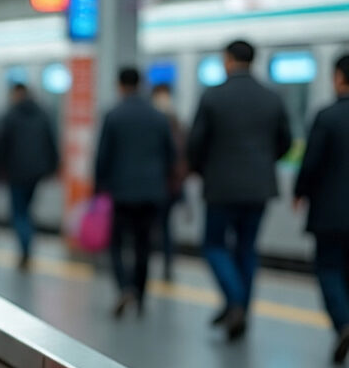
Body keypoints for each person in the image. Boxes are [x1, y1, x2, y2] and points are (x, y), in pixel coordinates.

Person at [187, 40, 291, 341]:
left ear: (228, 60)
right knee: (247, 248)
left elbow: (196, 144)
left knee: (214, 245)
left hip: (220, 187)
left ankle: (235, 301)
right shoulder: (272, 97)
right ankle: (241, 309)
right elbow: (284, 141)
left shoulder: (213, 97)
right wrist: (262, 163)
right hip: (259, 187)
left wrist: (201, 169)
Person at [95, 67, 176, 316]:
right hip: (152, 192)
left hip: (121, 192)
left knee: (117, 244)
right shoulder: (157, 116)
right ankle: (140, 295)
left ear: (119, 85)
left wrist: (99, 187)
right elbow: (171, 154)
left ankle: (124, 287)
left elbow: (103, 156)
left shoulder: (114, 115)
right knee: (144, 245)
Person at [294, 54, 349, 365]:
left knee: (329, 269)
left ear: (339, 77)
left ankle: (343, 323)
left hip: (330, 212)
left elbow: (312, 162)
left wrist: (300, 192)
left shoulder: (326, 116)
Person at [0, 82, 59, 269]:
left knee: (19, 212)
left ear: (16, 94)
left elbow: (2, 146)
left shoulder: (11, 116)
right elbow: (51, 141)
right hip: (36, 172)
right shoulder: (42, 113)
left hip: (15, 172)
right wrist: (53, 166)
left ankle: (25, 248)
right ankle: (28, 243)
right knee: (27, 210)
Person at [150, 81, 188, 279]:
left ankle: (158, 265)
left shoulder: (153, 121)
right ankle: (166, 265)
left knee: (154, 227)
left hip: (158, 184)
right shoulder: (176, 121)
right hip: (170, 185)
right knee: (164, 227)